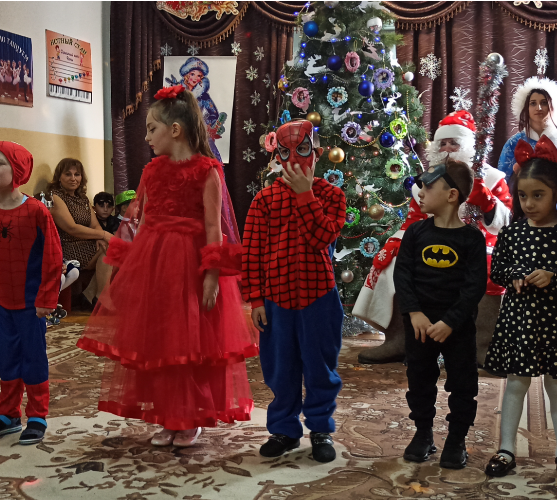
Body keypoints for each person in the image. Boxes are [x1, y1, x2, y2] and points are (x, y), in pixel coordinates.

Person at [77, 85, 257, 448]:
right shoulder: (151, 171)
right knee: (159, 339)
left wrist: (211, 276)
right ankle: (167, 414)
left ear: (175, 130)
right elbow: (142, 223)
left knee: (188, 341)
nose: (146, 137)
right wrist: (133, 270)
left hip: (190, 266)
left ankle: (188, 416)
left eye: (151, 128)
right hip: (155, 264)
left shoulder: (208, 171)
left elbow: (214, 227)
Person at [355, 110, 512, 367]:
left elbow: (507, 223)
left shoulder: (492, 179)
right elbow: (414, 220)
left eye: (454, 143)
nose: (447, 149)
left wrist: (488, 204)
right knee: (394, 263)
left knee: (487, 268)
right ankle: (400, 339)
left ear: (467, 146)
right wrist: (397, 241)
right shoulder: (427, 182)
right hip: (432, 239)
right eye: (443, 143)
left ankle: (481, 344)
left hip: (477, 242)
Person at [483, 135, 557, 485]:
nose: (528, 203)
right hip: (521, 321)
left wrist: (554, 277)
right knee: (516, 384)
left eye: (538, 195)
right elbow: (498, 270)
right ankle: (505, 449)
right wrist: (515, 275)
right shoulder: (513, 233)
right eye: (522, 196)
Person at [241, 119, 346, 463]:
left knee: (320, 367)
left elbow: (322, 238)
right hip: (276, 301)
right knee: (280, 368)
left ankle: (320, 428)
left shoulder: (332, 196)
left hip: (320, 298)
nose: (294, 159)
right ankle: (284, 429)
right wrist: (256, 299)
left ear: (317, 153)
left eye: (302, 150)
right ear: (277, 157)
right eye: (286, 152)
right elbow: (252, 253)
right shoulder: (264, 200)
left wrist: (305, 195)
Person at [394, 158, 487, 469]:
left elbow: (474, 286)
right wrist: (414, 313)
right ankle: (423, 433)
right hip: (419, 324)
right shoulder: (415, 233)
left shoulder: (472, 238)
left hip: (456, 327)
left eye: (428, 187)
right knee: (419, 380)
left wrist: (450, 321)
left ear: (452, 195)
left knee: (463, 384)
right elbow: (403, 276)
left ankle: (456, 439)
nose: (420, 192)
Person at [0, 141, 63, 445]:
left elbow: (52, 256)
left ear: (18, 170)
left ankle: (37, 416)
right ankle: (8, 415)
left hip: (31, 303)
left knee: (33, 358)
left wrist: (46, 298)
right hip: (0, 302)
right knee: (7, 358)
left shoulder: (36, 211)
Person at [47, 158, 111, 303]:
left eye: (77, 174)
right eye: (68, 174)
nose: (73, 178)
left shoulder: (82, 198)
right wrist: (104, 235)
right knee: (113, 248)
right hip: (69, 246)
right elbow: (72, 228)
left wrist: (100, 237)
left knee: (115, 248)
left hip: (87, 243)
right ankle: (100, 298)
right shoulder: (55, 197)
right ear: (59, 177)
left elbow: (95, 225)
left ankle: (92, 295)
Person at [499, 77, 557, 184]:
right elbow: (504, 182)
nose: (538, 108)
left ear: (552, 106)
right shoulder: (514, 143)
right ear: (525, 108)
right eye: (533, 103)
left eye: (544, 103)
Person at [166, 57, 225, 161]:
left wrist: (204, 124)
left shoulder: (203, 96)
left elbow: (214, 114)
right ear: (186, 75)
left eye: (199, 76)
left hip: (199, 134)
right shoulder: (178, 93)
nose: (195, 78)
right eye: (192, 74)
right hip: (180, 133)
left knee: (209, 159)